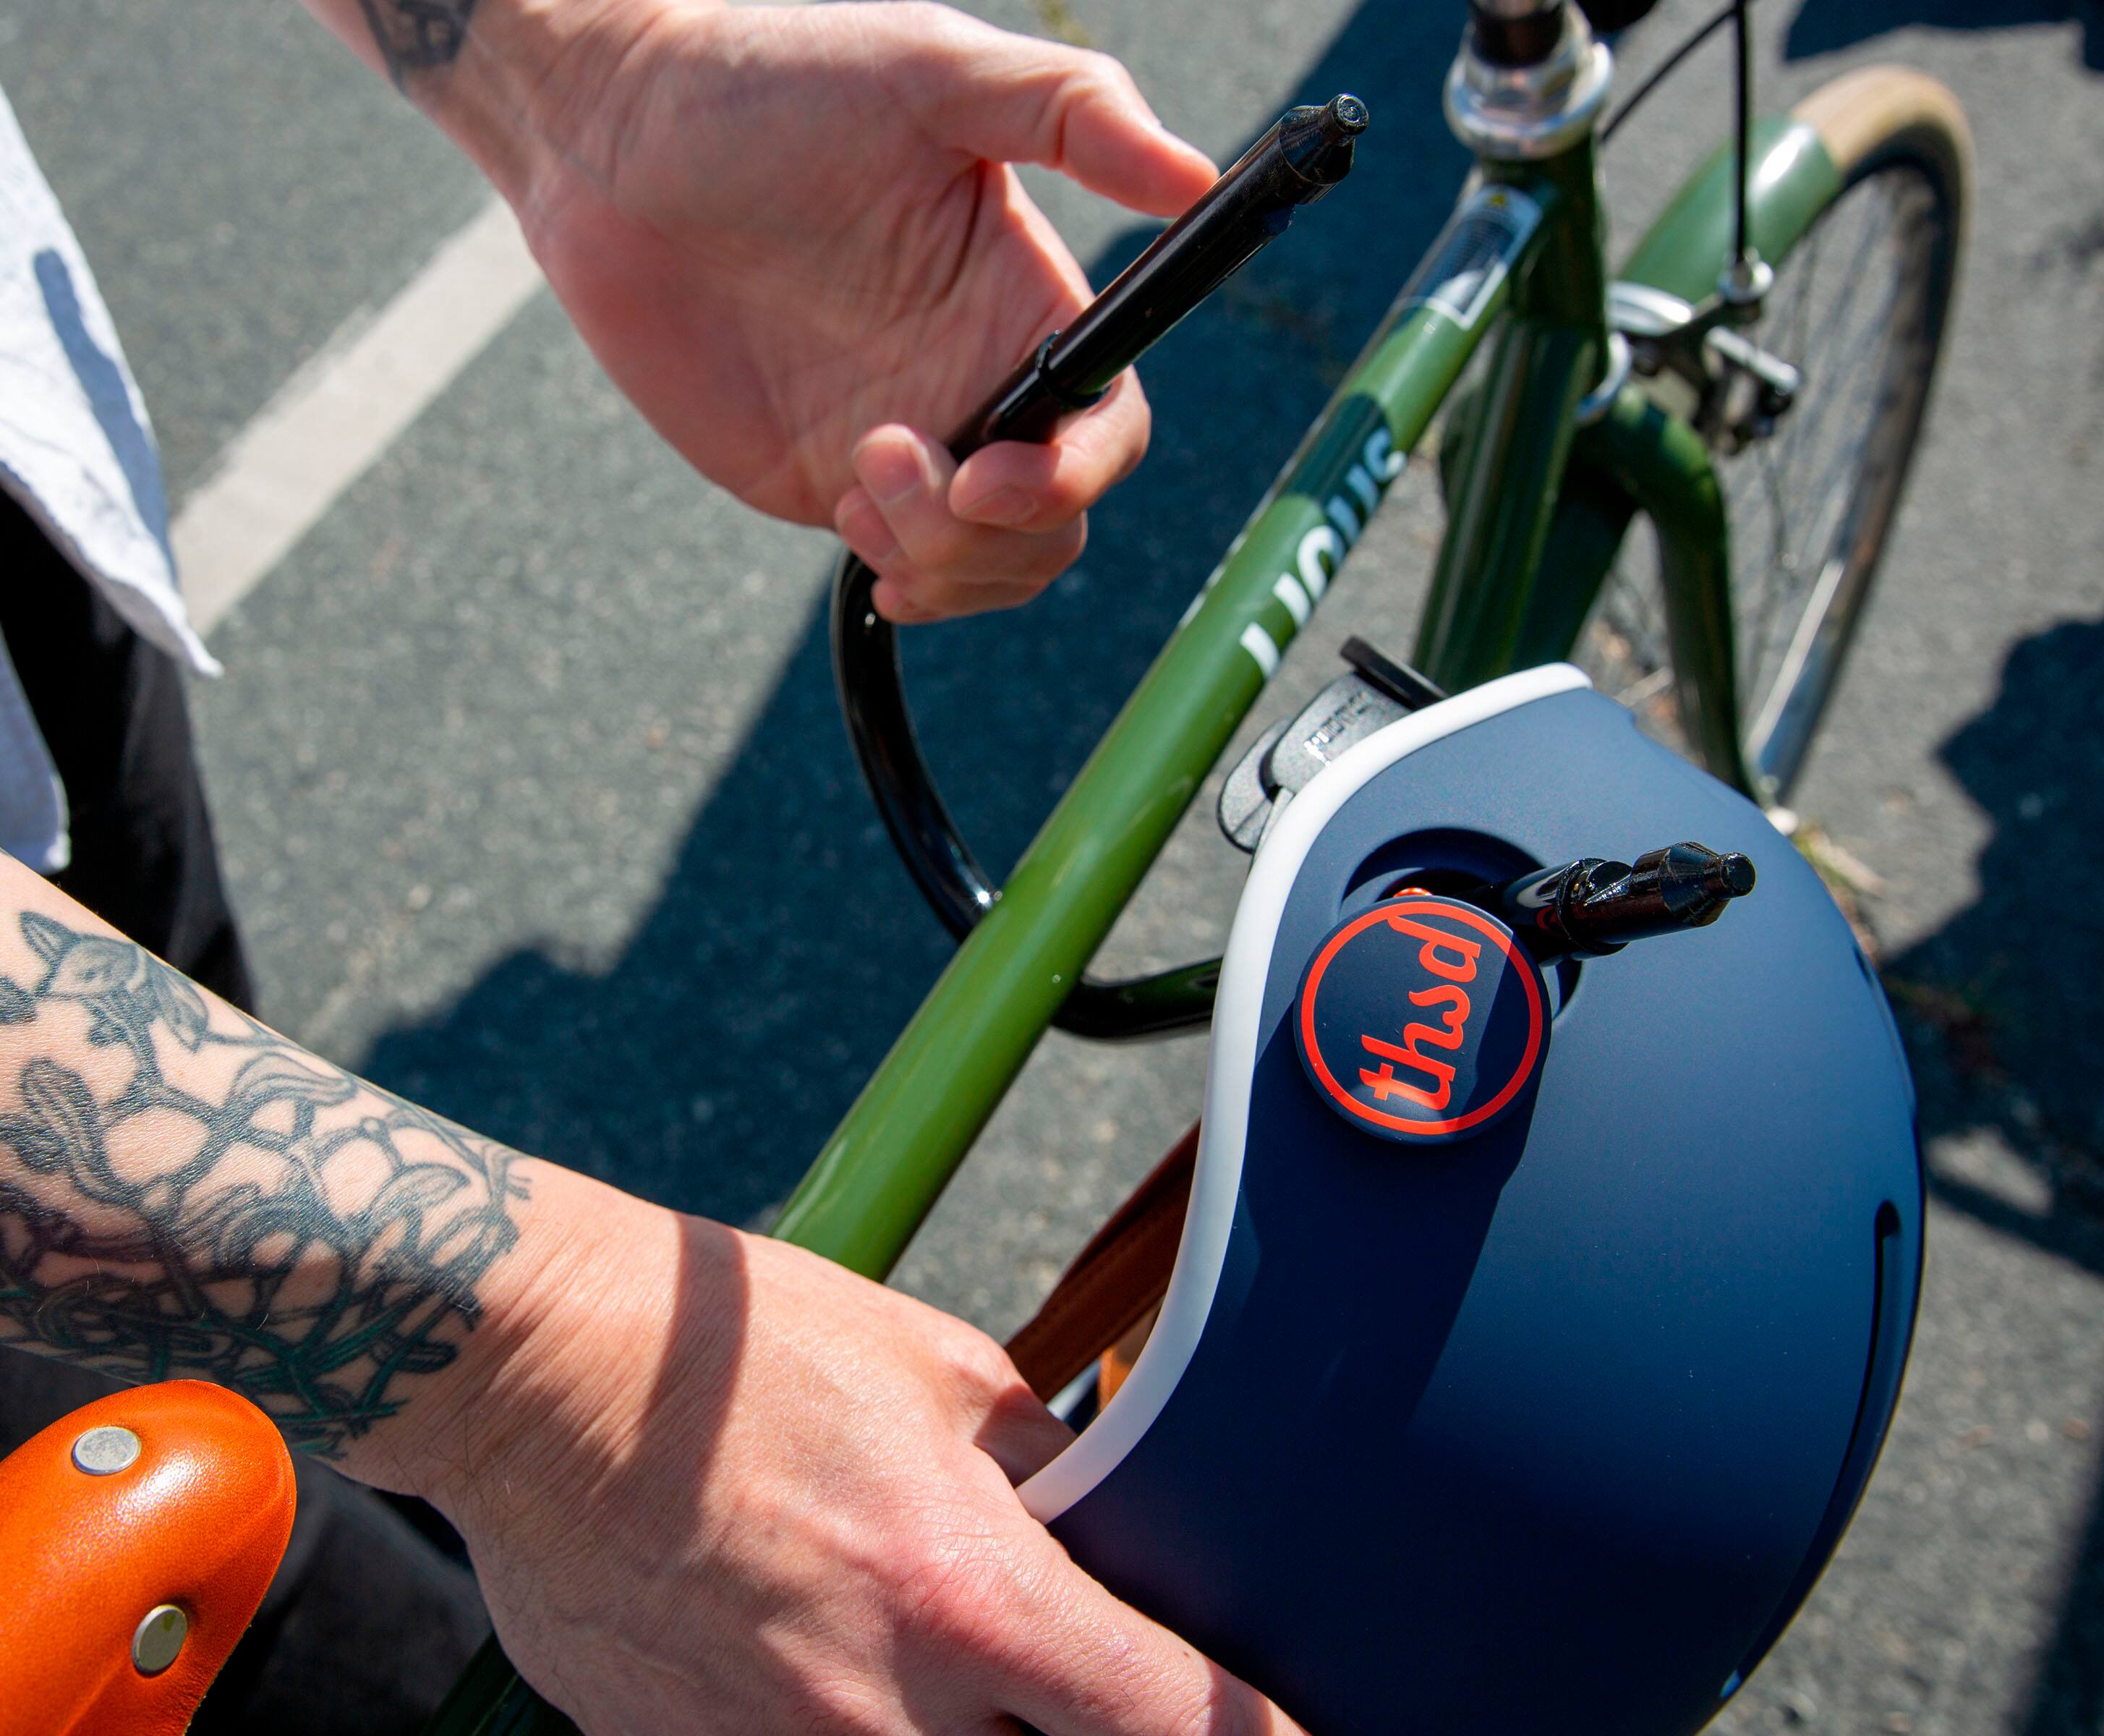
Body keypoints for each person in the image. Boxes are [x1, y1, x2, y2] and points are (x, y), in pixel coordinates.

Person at [0, 1, 1306, 1731]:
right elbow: (538, 1373)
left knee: (218, 1152)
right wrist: (550, 1371)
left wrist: (574, 82)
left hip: (36, 514)